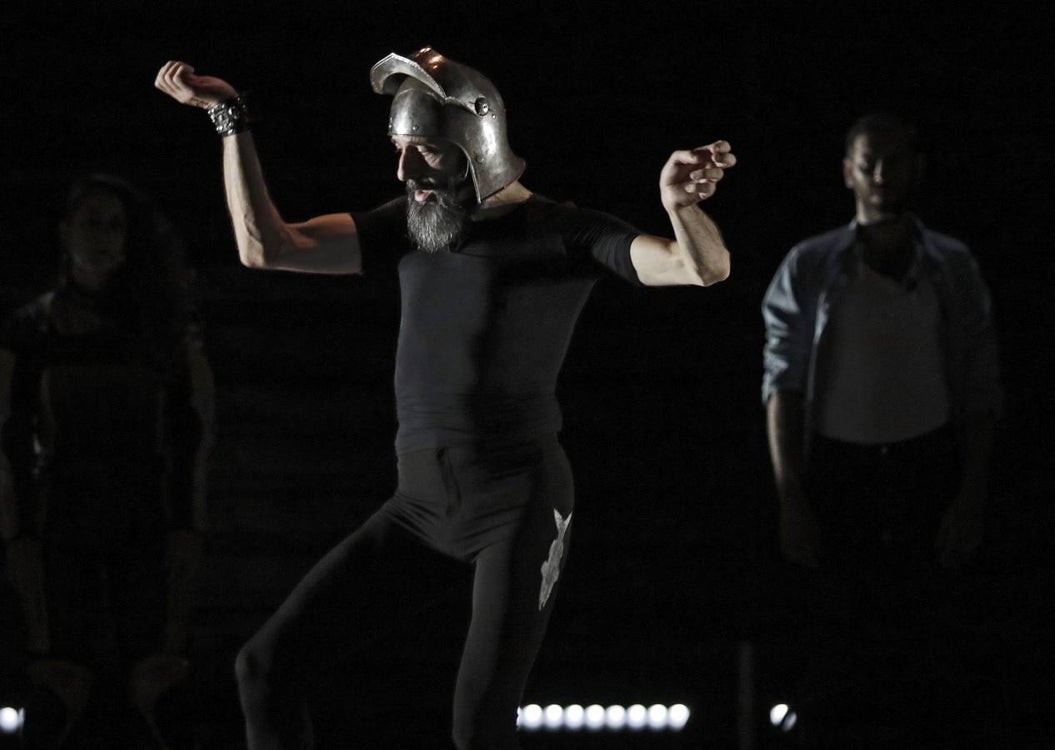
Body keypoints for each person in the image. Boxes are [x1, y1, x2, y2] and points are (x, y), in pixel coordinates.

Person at [154, 46, 734, 749]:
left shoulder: (561, 232)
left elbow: (698, 269)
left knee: (479, 725)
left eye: (424, 152)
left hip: (517, 504)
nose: (405, 172)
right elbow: (266, 247)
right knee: (265, 666)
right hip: (420, 508)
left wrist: (679, 206)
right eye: (398, 150)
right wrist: (229, 118)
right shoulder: (409, 225)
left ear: (476, 148)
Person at [760, 113, 1003, 741]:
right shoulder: (810, 265)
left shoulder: (953, 266)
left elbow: (980, 388)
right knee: (837, 649)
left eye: (893, 160)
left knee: (929, 649)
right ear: (848, 171)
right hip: (840, 473)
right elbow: (782, 384)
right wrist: (792, 496)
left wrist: (972, 492)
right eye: (868, 161)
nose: (881, 174)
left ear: (914, 168)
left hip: (928, 465)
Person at [0, 173, 215, 748]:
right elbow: (10, 436)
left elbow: (192, 433)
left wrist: (187, 527)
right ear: (65, 232)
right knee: (59, 676)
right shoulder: (30, 329)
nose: (102, 237)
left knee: (157, 674)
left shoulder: (161, 330)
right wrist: (16, 531)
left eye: (114, 226)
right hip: (60, 519)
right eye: (91, 222)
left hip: (142, 515)